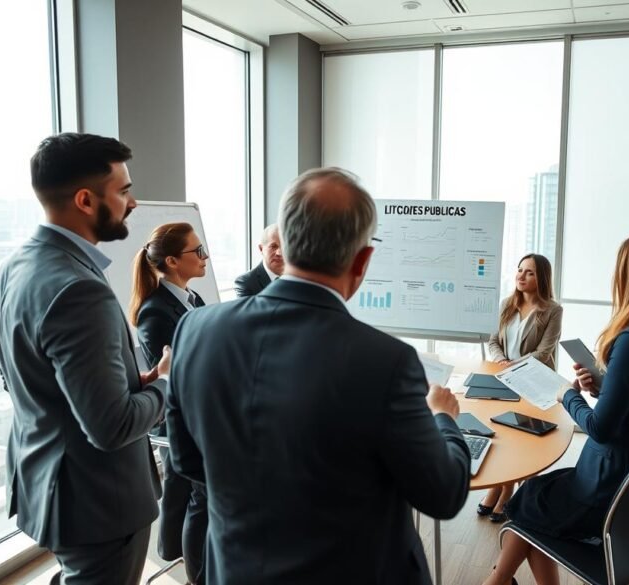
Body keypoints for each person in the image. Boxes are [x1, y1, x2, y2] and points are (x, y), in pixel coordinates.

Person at [165, 167, 471, 585]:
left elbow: (185, 459)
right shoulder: (387, 361)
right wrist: (444, 419)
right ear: (362, 261)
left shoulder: (195, 330)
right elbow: (444, 493)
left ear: (285, 243)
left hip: (234, 569)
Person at [482, 228, 629, 585]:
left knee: (525, 503)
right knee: (534, 497)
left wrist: (567, 394)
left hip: (609, 487)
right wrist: (603, 388)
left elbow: (600, 429)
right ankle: (497, 581)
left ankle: (496, 580)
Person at [0, 133, 167, 585]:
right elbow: (112, 428)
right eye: (123, 190)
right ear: (86, 200)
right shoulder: (79, 289)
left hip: (47, 482)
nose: (134, 201)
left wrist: (126, 383)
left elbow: (24, 376)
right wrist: (165, 382)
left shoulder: (15, 268)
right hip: (97, 503)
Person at [128, 222, 208, 584]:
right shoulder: (154, 312)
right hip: (179, 422)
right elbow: (173, 376)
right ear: (174, 261)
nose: (205, 257)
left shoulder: (193, 299)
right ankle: (196, 577)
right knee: (198, 498)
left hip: (201, 413)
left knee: (201, 498)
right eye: (198, 251)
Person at [481, 253, 563, 522]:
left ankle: (507, 493)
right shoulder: (507, 305)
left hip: (532, 382)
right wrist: (502, 361)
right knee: (501, 433)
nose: (521, 276)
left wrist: (514, 366)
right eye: (519, 270)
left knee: (520, 439)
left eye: (529, 272)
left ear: (542, 278)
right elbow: (493, 340)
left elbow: (544, 352)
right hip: (503, 378)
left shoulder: (552, 310)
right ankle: (498, 486)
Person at [233, 223, 283, 297]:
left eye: (284, 246)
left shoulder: (298, 277)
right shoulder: (245, 282)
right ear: (261, 249)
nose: (280, 253)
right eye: (273, 246)